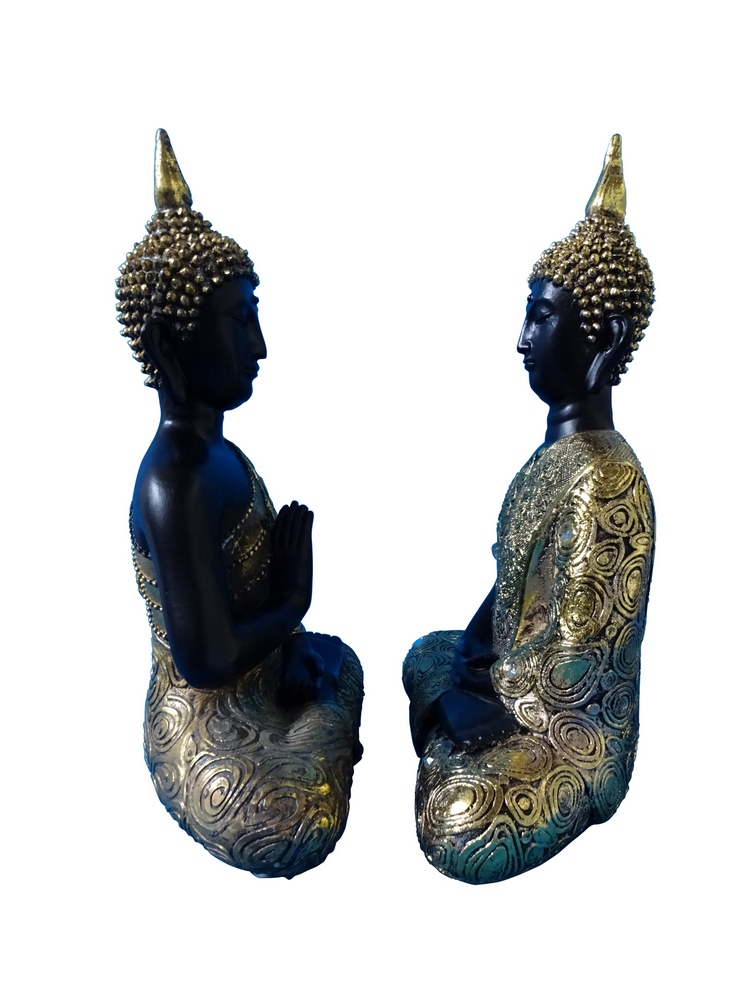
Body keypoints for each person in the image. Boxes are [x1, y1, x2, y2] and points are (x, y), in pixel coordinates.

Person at [403, 135, 655, 884]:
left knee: (459, 822)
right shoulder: (552, 459)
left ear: (603, 338)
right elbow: (515, 585)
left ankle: (450, 747)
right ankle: (449, 728)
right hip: (515, 686)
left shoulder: (608, 480)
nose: (522, 340)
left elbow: (577, 666)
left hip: (568, 736)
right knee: (427, 651)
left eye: (542, 318)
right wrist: (467, 663)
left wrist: (478, 694)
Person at [118, 130, 363, 879]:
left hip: (261, 678)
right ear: (170, 342)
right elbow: (205, 658)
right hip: (206, 727)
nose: (259, 346)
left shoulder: (220, 457)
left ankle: (312, 702)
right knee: (295, 824)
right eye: (239, 322)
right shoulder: (176, 481)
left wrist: (290, 638)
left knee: (339, 659)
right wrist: (291, 602)